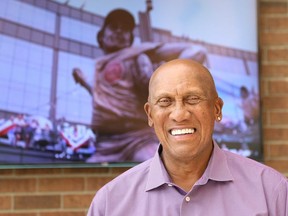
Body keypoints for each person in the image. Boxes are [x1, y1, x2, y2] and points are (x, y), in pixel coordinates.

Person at [87, 59, 288, 216]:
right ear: (150, 115)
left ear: (216, 109)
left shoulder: (272, 192)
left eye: (192, 99)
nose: (180, 114)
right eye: (165, 102)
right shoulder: (110, 204)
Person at [73, 9, 208, 163]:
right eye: (114, 26)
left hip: (138, 140)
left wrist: (167, 82)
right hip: (105, 145)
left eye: (125, 29)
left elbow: (196, 51)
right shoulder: (99, 68)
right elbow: (102, 98)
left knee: (155, 170)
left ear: (130, 38)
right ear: (101, 37)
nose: (119, 30)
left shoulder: (137, 54)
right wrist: (84, 82)